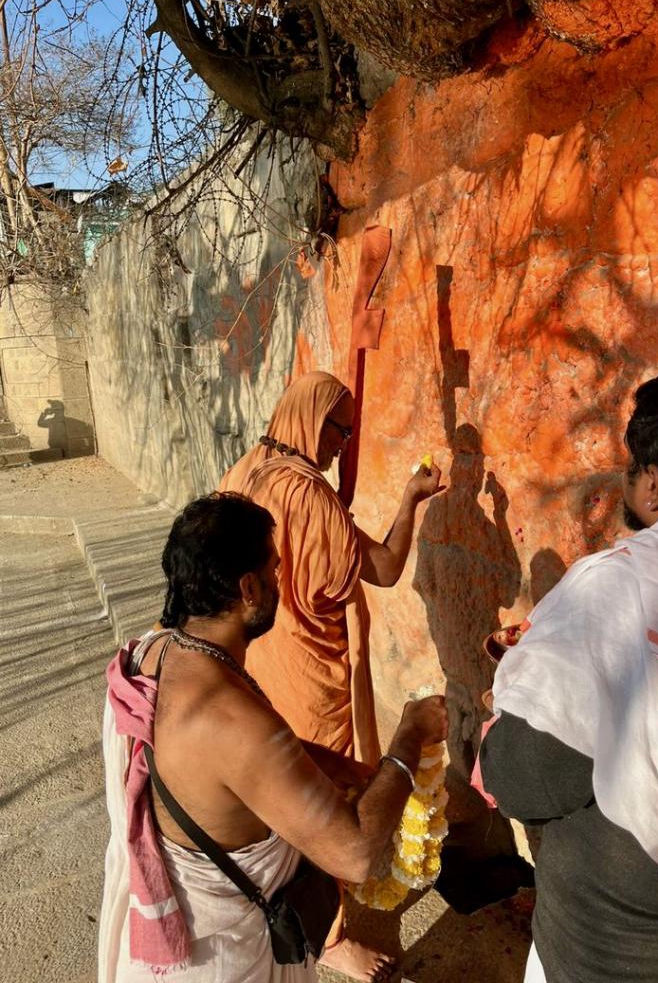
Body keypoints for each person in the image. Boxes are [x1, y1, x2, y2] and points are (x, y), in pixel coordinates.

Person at [479, 366, 658, 983]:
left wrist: (513, 715)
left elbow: (524, 776)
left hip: (611, 957)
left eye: (632, 467)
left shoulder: (618, 591)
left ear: (654, 486)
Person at [98, 492, 448, 983]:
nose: (279, 584)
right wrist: (409, 737)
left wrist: (336, 766)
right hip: (220, 962)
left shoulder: (153, 653)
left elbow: (227, 763)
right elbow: (354, 854)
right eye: (274, 571)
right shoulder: (230, 719)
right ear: (249, 588)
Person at [219, 371, 442, 981]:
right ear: (312, 421)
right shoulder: (309, 496)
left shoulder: (246, 471)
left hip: (257, 661)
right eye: (339, 430)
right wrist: (411, 498)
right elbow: (386, 568)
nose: (344, 444)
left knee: (273, 788)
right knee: (324, 801)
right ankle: (329, 934)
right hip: (312, 675)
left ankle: (281, 905)